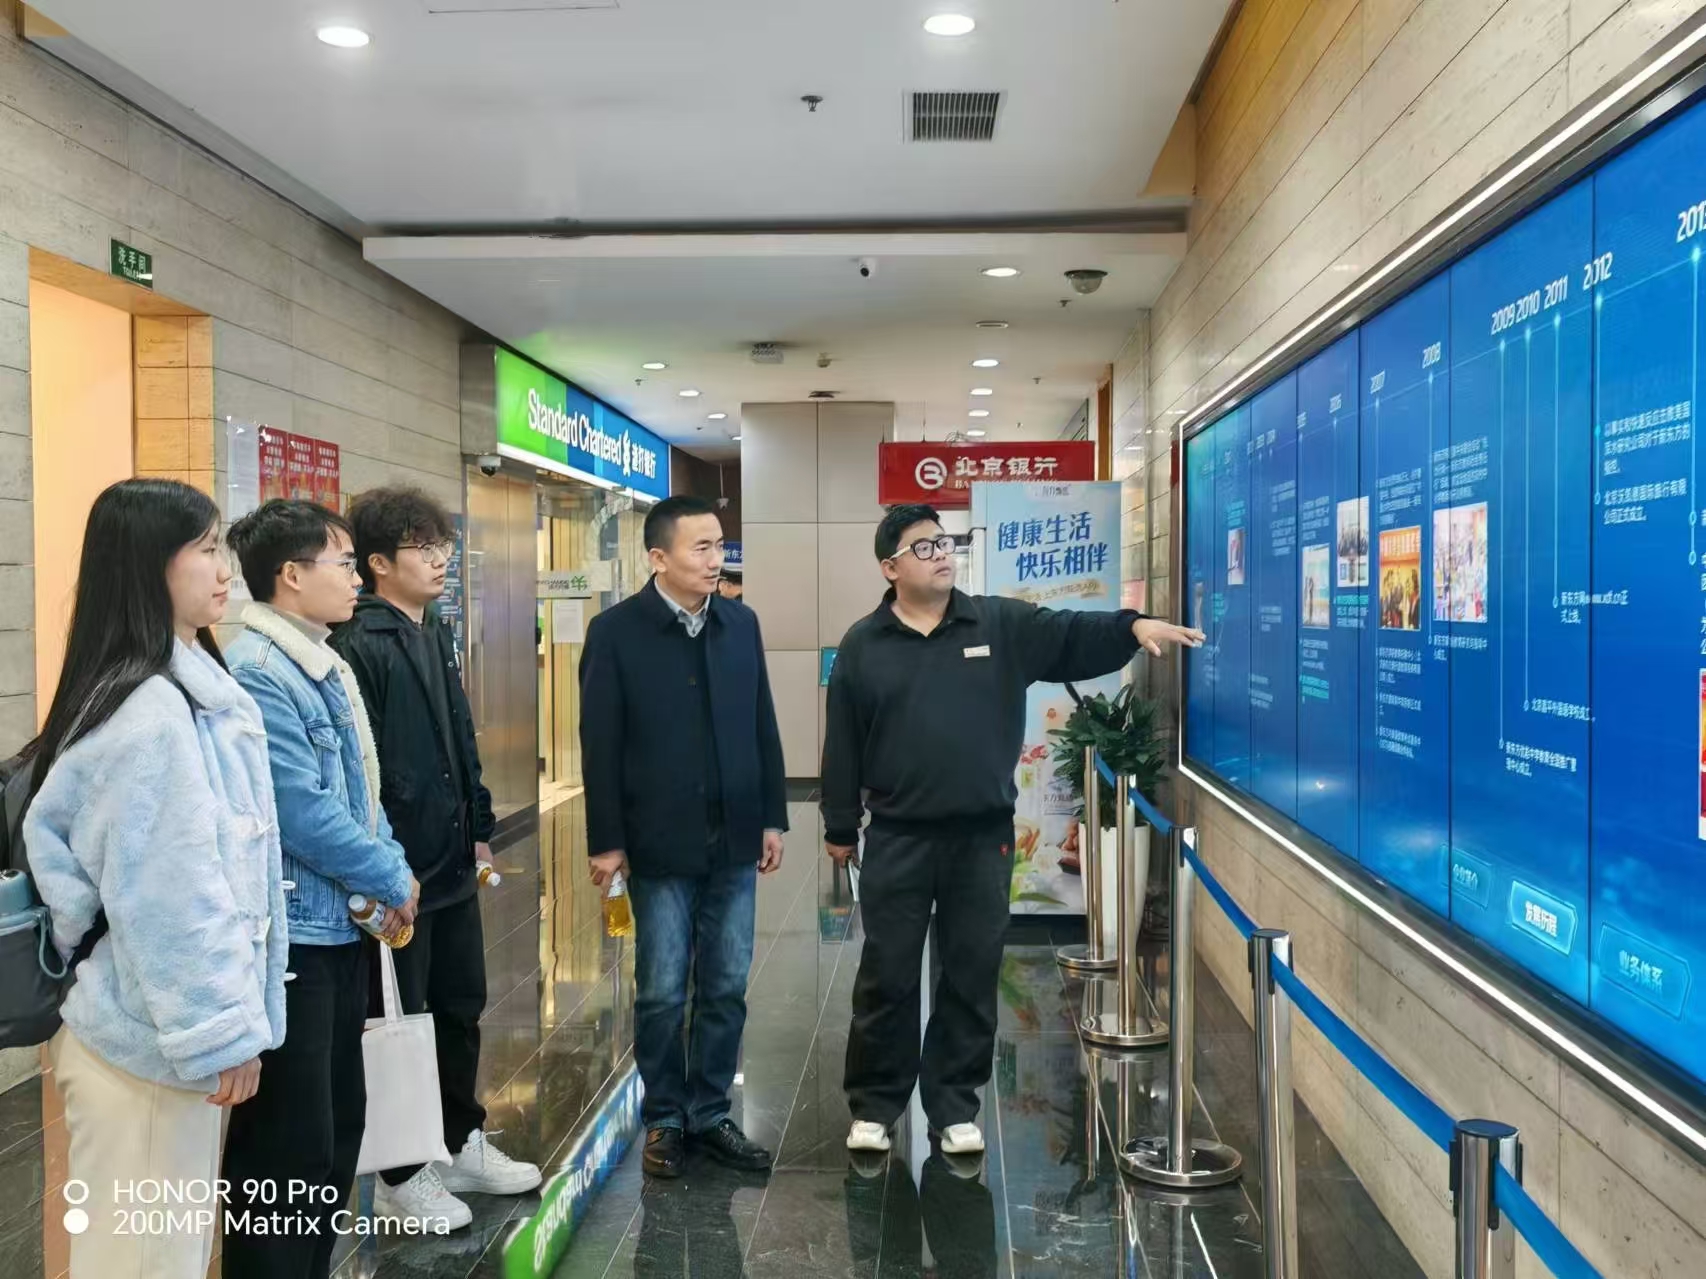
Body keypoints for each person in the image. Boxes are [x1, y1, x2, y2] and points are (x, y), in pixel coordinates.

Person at [822, 504, 1204, 1158]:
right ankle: (876, 1105)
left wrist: (1131, 625)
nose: (941, 553)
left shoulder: (996, 623)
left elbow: (1070, 633)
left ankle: (954, 1105)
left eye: (943, 542)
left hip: (982, 838)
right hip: (898, 837)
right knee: (887, 974)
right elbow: (843, 742)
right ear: (890, 567)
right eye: (922, 547)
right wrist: (839, 824)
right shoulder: (864, 644)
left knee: (971, 972)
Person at [22, 478, 287, 1279]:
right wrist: (221, 1031)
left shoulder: (170, 689)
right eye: (205, 549)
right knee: (142, 1262)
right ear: (148, 563)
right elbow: (172, 899)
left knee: (156, 1255)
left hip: (152, 1034)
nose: (225, 570)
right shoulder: (151, 712)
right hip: (147, 1040)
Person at [221, 500, 422, 1274]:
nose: (354, 577)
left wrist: (390, 865)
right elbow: (300, 810)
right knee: (289, 1148)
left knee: (337, 1131)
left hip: (340, 928)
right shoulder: (262, 670)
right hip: (297, 940)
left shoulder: (321, 658)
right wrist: (390, 872)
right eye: (342, 562)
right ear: (291, 574)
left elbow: (360, 791)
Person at [332, 487, 541, 1229]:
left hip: (450, 862)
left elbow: (460, 737)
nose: (440, 559)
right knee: (402, 1017)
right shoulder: (360, 642)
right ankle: (402, 1171)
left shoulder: (432, 629)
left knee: (459, 1005)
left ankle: (458, 1139)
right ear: (378, 563)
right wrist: (386, 868)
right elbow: (362, 773)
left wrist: (479, 824)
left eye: (442, 545)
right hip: (402, 871)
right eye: (422, 547)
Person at [579, 495, 787, 1179]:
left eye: (720, 545)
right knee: (663, 988)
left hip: (734, 835)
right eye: (701, 547)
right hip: (658, 838)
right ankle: (665, 1116)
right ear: (658, 557)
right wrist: (607, 840)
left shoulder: (740, 622)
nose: (716, 558)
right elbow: (599, 742)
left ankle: (711, 1111)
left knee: (725, 984)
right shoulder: (616, 631)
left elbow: (762, 722)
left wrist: (772, 816)